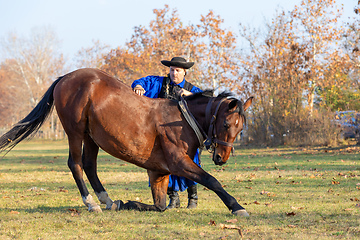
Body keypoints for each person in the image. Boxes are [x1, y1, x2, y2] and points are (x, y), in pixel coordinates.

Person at [131, 57, 202, 209]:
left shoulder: (192, 89)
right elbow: (143, 81)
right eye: (172, 70)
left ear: (184, 72)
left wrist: (190, 95)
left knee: (191, 164)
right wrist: (138, 85)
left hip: (184, 137)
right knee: (164, 165)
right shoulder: (160, 83)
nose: (174, 73)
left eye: (177, 70)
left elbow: (206, 101)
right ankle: (173, 198)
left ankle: (193, 198)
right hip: (163, 136)